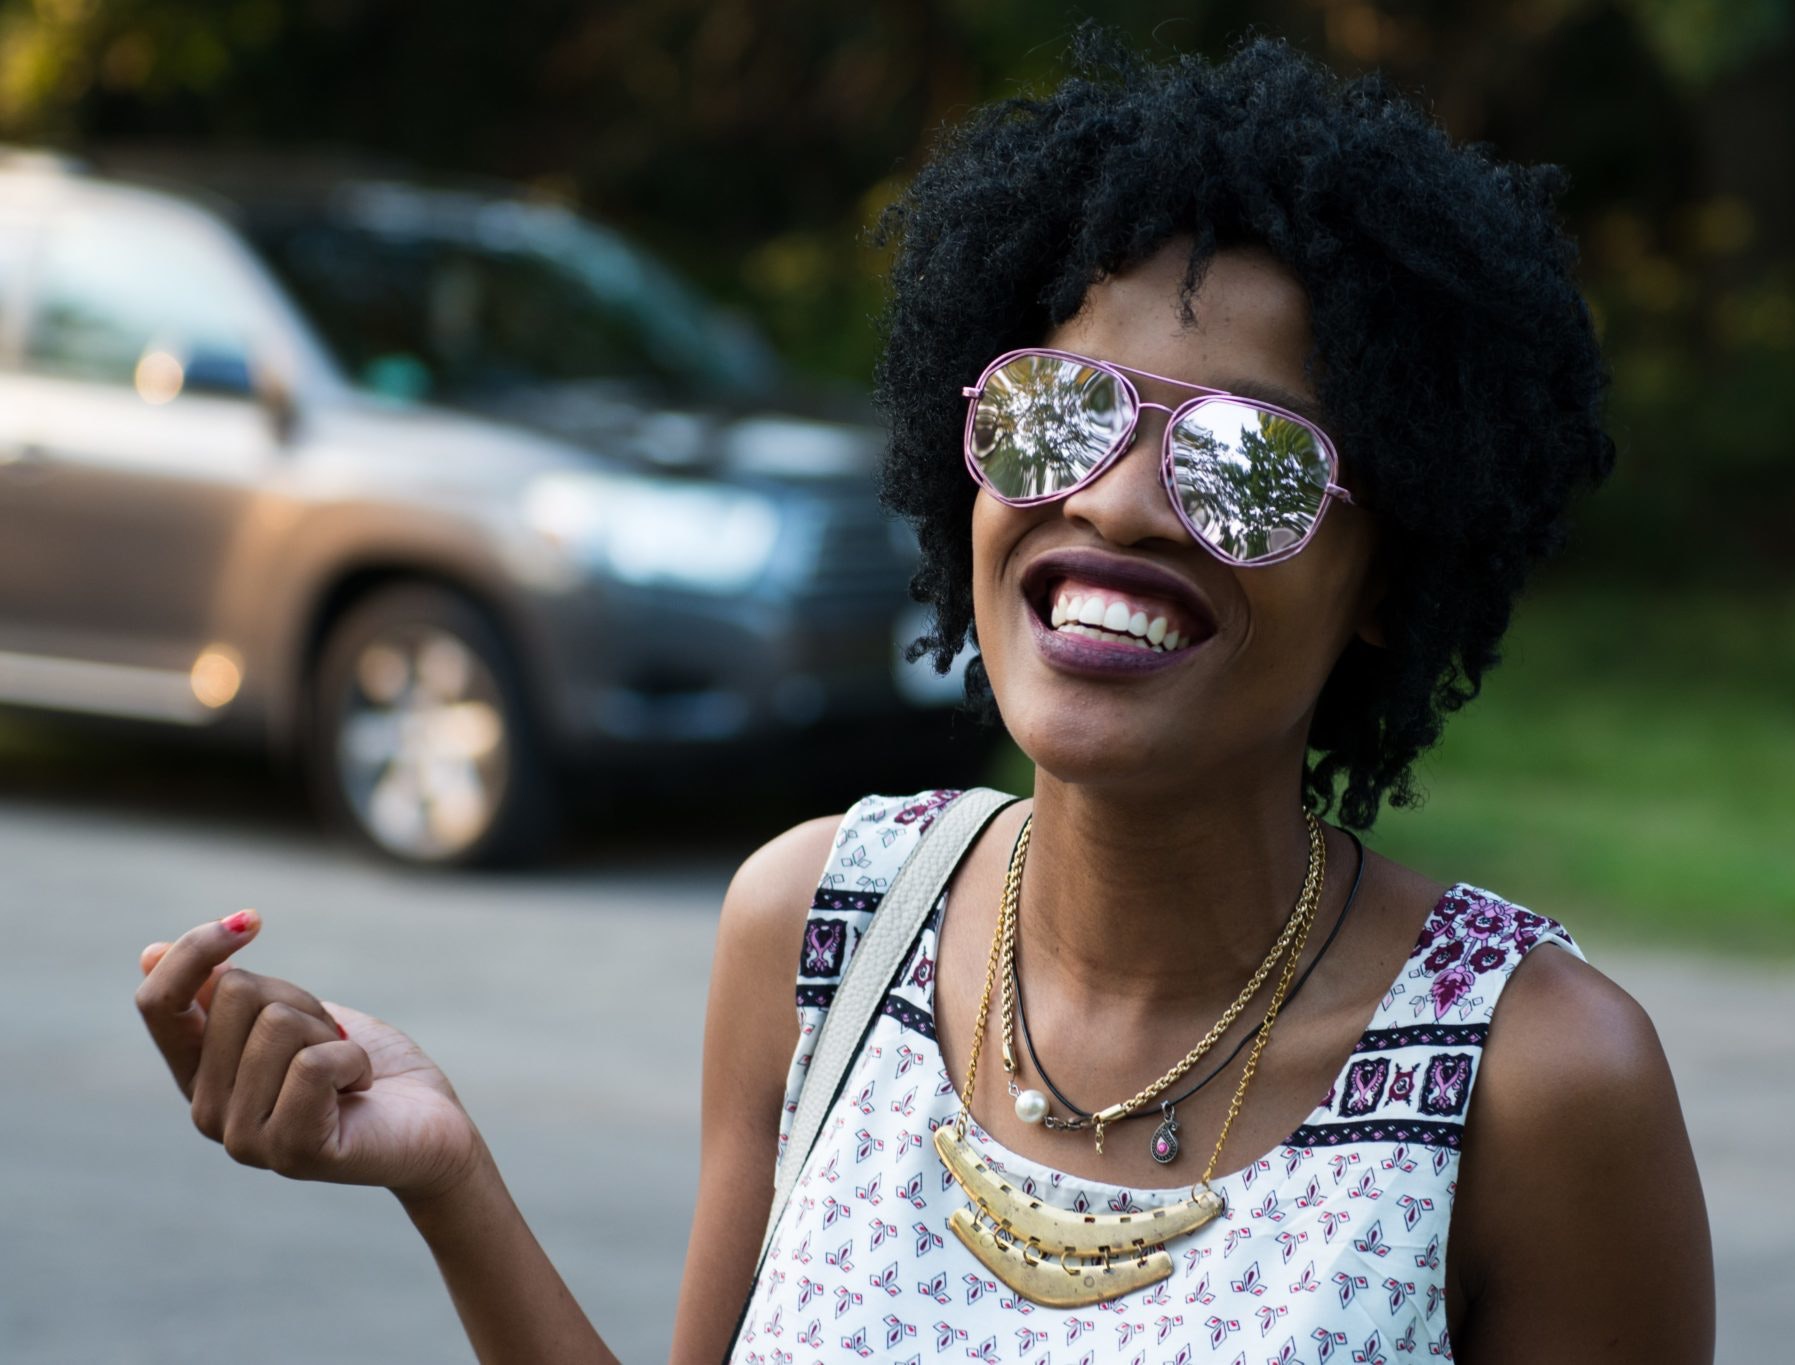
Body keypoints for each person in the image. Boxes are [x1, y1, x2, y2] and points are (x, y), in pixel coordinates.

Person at [133, 32, 1714, 1364]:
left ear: (1387, 578)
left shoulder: (1535, 1085)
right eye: (1059, 412)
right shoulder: (820, 926)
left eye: (1245, 463)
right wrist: (450, 1178)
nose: (1117, 502)